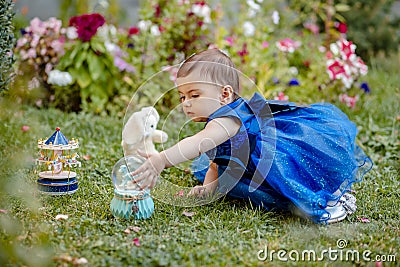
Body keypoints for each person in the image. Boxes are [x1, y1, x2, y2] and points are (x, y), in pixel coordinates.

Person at [131, 49, 372, 224]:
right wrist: (208, 189)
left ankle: (328, 205)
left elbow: (194, 144)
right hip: (248, 164)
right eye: (182, 97)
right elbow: (216, 162)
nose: (186, 104)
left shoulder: (225, 121)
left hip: (269, 164)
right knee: (231, 183)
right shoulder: (216, 122)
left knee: (287, 193)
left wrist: (162, 159)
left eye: (194, 95)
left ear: (224, 94)